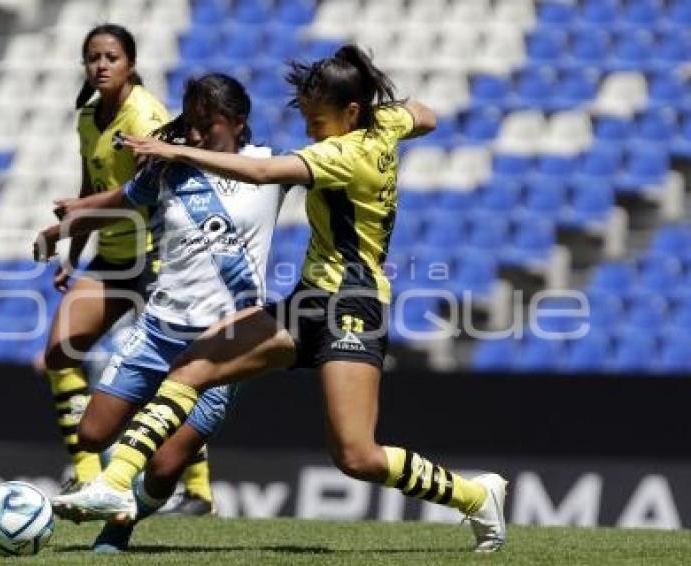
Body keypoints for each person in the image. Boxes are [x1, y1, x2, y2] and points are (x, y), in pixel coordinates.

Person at [56, 45, 508, 553]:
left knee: (356, 456)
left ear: (350, 113)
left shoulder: (345, 154)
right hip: (307, 300)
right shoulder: (381, 127)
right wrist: (392, 116)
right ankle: (113, 484)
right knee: (193, 366)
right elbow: (426, 114)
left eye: (318, 119)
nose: (311, 128)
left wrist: (179, 150)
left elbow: (264, 174)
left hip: (351, 308)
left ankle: (476, 495)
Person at [36, 73, 289, 553]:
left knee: (165, 467)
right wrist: (67, 225)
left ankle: (119, 523)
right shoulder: (168, 171)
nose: (193, 136)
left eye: (206, 126)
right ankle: (114, 483)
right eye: (189, 125)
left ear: (238, 123)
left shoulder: (271, 168)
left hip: (223, 345)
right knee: (92, 434)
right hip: (157, 331)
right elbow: (120, 202)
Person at [42, 23, 215, 512]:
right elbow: (87, 183)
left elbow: (149, 193)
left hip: (158, 255)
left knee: (175, 372)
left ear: (130, 64)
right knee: (60, 352)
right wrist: (73, 252)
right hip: (113, 256)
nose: (101, 65)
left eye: (111, 57)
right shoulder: (89, 117)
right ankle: (84, 474)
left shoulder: (146, 116)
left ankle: (198, 490)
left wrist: (78, 215)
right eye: (93, 57)